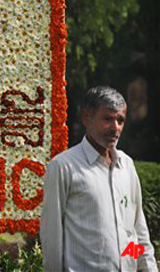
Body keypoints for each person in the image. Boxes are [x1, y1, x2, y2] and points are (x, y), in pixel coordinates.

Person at [40, 86, 158, 271]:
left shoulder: (126, 166)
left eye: (120, 120)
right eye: (107, 119)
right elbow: (52, 237)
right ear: (87, 118)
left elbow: (136, 231)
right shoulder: (64, 166)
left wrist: (146, 267)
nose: (115, 128)